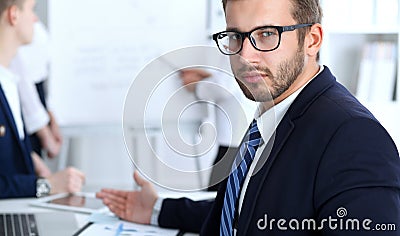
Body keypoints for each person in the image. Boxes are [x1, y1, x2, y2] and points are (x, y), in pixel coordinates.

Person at [97, 0, 400, 235]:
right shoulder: (269, 119)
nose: (245, 56)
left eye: (267, 34)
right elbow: (251, 214)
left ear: (312, 39)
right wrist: (156, 210)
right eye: (235, 36)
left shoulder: (354, 137)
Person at [0, 0, 85, 199]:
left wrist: (27, 158)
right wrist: (46, 185)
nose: (35, 18)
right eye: (32, 10)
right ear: (14, 15)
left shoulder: (10, 83)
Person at [179, 67, 256, 191]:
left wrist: (196, 86)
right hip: (236, 135)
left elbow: (225, 87)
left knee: (218, 194)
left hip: (234, 138)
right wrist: (208, 78)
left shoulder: (237, 51)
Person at [10, 21, 62, 158]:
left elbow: (38, 75)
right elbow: (21, 79)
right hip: (26, 113)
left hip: (38, 103)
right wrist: (45, 133)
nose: (33, 17)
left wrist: (49, 115)